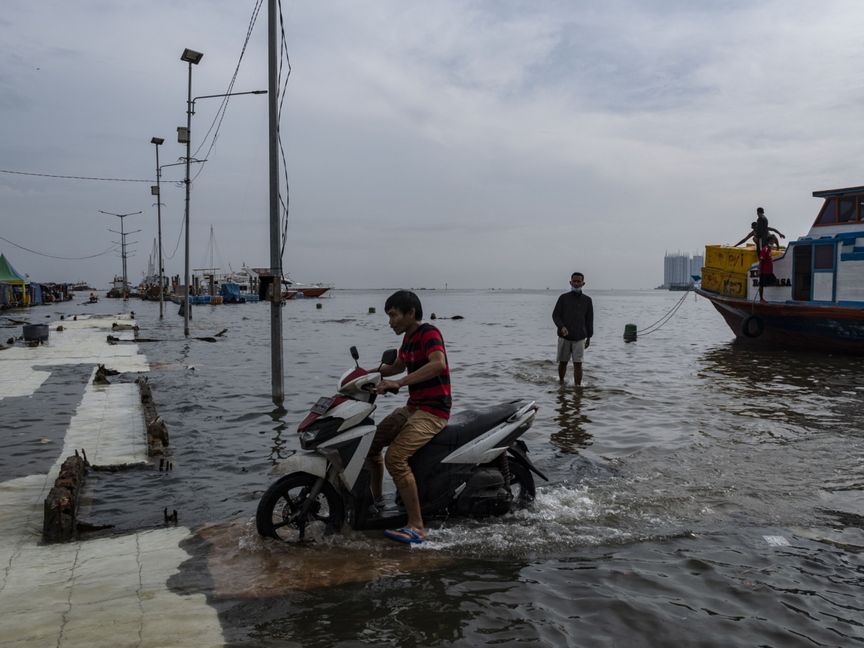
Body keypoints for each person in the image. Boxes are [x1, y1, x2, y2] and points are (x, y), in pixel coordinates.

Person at [368, 290, 451, 545]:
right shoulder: (408, 338)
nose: (390, 321)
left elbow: (438, 363)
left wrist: (400, 383)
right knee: (370, 444)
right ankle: (377, 502)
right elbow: (397, 366)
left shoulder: (429, 333)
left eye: (393, 315)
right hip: (414, 407)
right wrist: (365, 374)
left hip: (433, 411)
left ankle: (417, 526)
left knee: (395, 457)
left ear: (410, 313)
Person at [553, 272, 594, 386]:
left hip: (580, 337)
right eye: (574, 281)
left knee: (578, 363)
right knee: (563, 362)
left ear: (583, 283)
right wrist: (562, 327)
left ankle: (577, 387)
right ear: (570, 282)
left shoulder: (587, 300)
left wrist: (589, 337)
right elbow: (555, 315)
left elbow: (589, 320)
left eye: (578, 281)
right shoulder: (563, 298)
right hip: (564, 336)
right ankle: (561, 382)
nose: (576, 283)